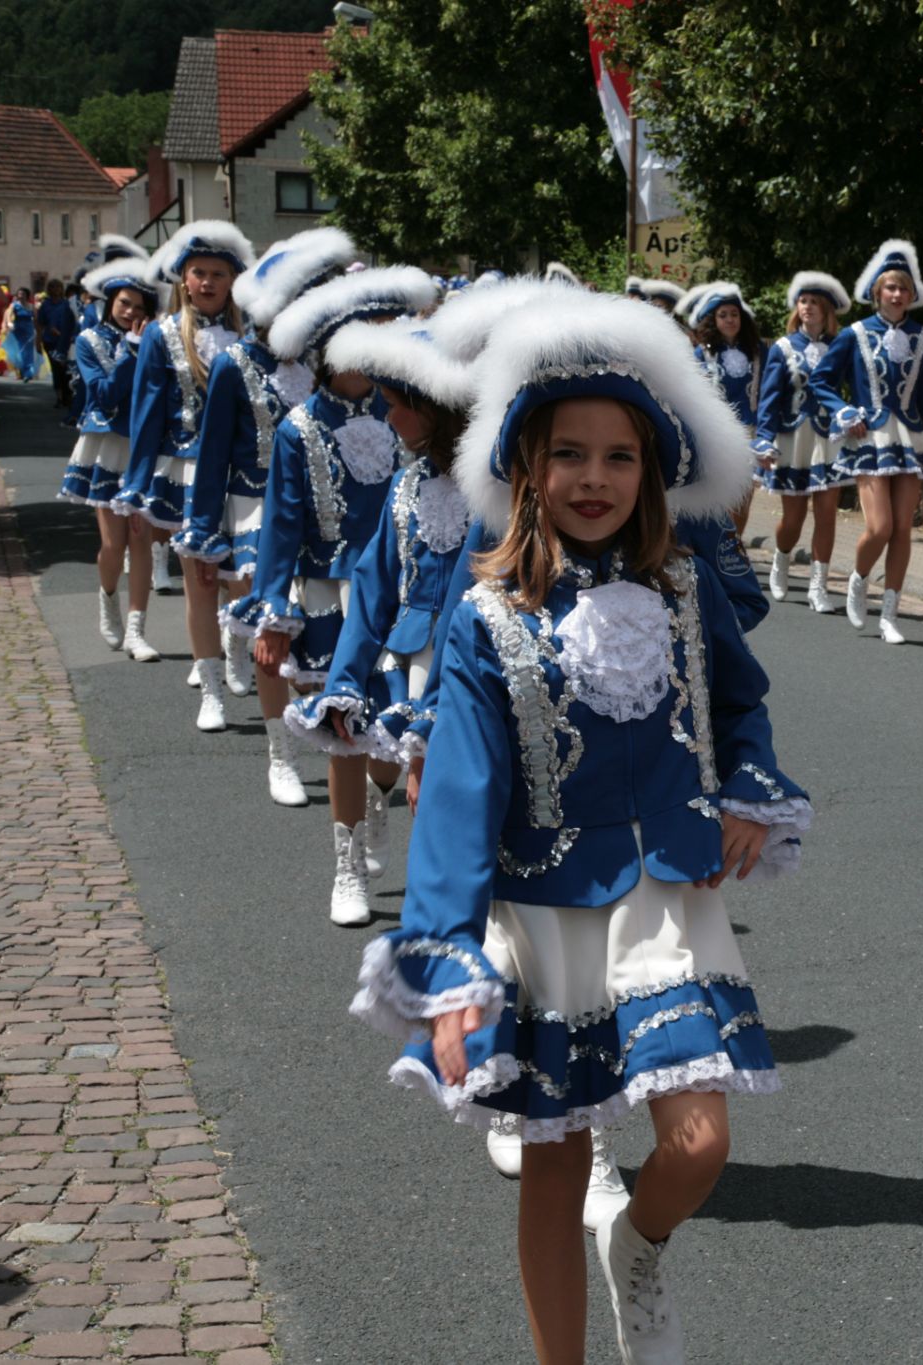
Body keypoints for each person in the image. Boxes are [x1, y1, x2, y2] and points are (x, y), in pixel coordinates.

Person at [348, 291, 806, 1365]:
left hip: (668, 908)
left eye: (618, 457)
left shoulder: (688, 590)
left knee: (697, 1144)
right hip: (543, 912)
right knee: (553, 1164)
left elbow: (740, 706)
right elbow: (459, 799)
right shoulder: (485, 619)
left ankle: (637, 1249)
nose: (593, 478)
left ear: (651, 474)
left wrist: (749, 785)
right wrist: (449, 961)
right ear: (523, 470)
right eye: (568, 455)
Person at [232, 266, 438, 926]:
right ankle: (346, 867)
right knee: (343, 728)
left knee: (388, 740)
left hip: (402, 596)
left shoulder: (411, 420)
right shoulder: (298, 430)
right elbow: (282, 525)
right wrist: (273, 611)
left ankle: (381, 796)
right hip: (329, 591)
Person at [285, 315, 474, 884]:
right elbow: (370, 590)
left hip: (469, 663)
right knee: (382, 761)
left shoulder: (497, 492)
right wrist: (343, 681)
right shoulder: (405, 485)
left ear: (436, 407)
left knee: (449, 799)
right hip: (409, 659)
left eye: (397, 403)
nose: (386, 415)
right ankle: (363, 835)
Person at [195, 228, 358, 797]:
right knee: (271, 628)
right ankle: (279, 753)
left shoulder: (334, 368)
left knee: (326, 636)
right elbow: (211, 454)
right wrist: (201, 529)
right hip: (254, 510)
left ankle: (338, 738)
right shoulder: (233, 364)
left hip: (327, 516)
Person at [117, 221, 255, 696]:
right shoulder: (163, 334)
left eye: (219, 273)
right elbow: (147, 411)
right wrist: (136, 484)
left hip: (240, 472)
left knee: (236, 570)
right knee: (198, 569)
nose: (208, 282)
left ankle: (232, 642)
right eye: (199, 272)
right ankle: (206, 655)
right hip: (186, 464)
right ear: (184, 280)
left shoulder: (251, 334)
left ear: (234, 280)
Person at [808, 238, 923, 644]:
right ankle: (858, 580)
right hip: (869, 436)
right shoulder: (855, 334)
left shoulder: (922, 337)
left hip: (909, 437)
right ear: (877, 293)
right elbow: (822, 381)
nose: (897, 294)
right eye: (891, 287)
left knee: (903, 528)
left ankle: (890, 613)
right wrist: (844, 411)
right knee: (880, 526)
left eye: (904, 288)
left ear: (912, 295)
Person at [59, 258, 161, 657]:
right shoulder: (89, 341)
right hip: (106, 447)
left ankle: (137, 629)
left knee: (142, 540)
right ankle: (107, 597)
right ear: (110, 303)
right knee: (112, 544)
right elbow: (103, 394)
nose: (131, 312)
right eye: (124, 303)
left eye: (138, 306)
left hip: (144, 447)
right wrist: (131, 352)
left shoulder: (155, 340)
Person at [753, 270, 852, 610]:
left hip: (828, 439)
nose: (808, 307)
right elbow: (768, 398)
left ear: (826, 310)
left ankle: (818, 586)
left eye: (815, 302)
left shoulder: (840, 346)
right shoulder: (782, 347)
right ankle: (781, 559)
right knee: (793, 519)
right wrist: (764, 439)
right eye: (803, 301)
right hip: (792, 438)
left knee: (826, 514)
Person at [678, 282, 763, 536]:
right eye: (723, 315)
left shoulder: (757, 354)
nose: (729, 320)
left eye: (734, 314)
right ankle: (716, 549)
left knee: (743, 498)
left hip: (749, 431)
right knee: (718, 496)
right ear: (714, 320)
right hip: (716, 434)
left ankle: (735, 545)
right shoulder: (700, 354)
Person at [38, 278, 76, 415]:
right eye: (52, 287)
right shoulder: (45, 305)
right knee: (56, 369)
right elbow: (40, 324)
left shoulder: (66, 304)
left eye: (57, 287)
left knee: (65, 368)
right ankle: (59, 397)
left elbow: (72, 322)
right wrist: (38, 341)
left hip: (64, 340)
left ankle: (68, 395)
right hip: (50, 340)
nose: (55, 290)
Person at [2, 287, 40, 382]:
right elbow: (8, 315)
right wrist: (9, 323)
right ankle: (21, 371)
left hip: (28, 331)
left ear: (26, 295)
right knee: (19, 351)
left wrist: (38, 331)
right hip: (17, 330)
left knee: (28, 351)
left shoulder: (32, 306)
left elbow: (36, 319)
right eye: (19, 293)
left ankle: (28, 373)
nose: (20, 295)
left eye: (22, 294)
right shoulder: (14, 305)